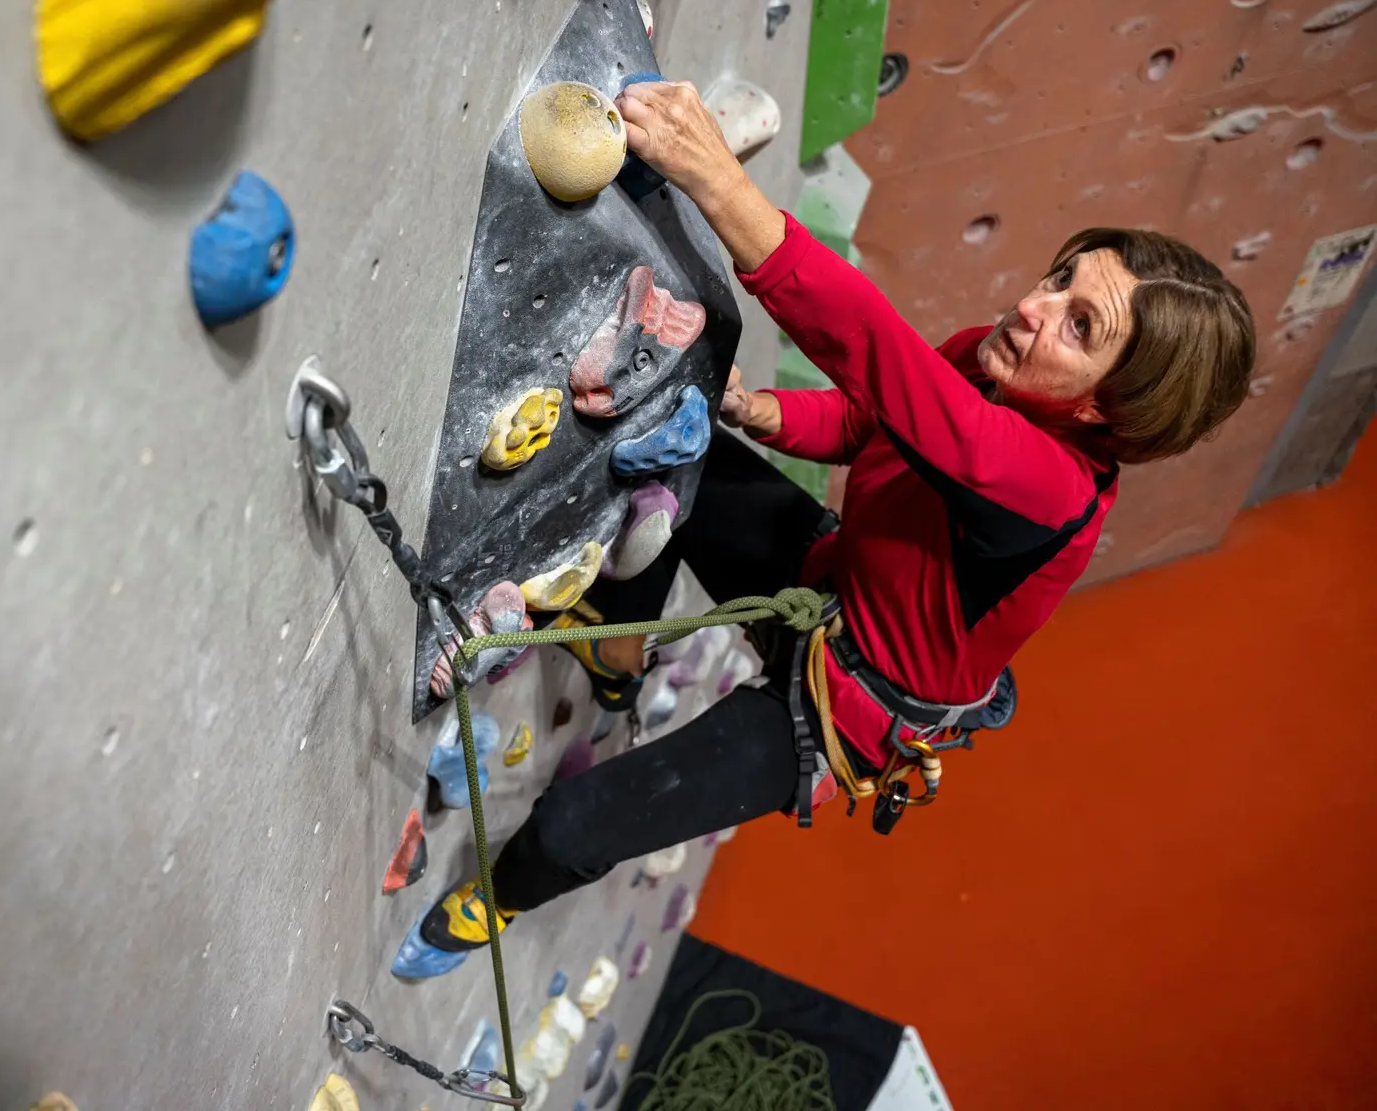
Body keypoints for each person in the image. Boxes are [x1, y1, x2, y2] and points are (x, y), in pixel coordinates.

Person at [394, 79, 1257, 979]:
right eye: (1061, 279)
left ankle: (496, 900)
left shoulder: (1048, 489)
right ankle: (616, 659)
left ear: (1104, 415)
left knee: (573, 825)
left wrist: (718, 182)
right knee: (669, 443)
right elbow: (874, 421)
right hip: (830, 577)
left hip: (841, 708)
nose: (1034, 307)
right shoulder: (990, 360)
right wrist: (760, 410)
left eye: (1078, 327)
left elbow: (873, 348)